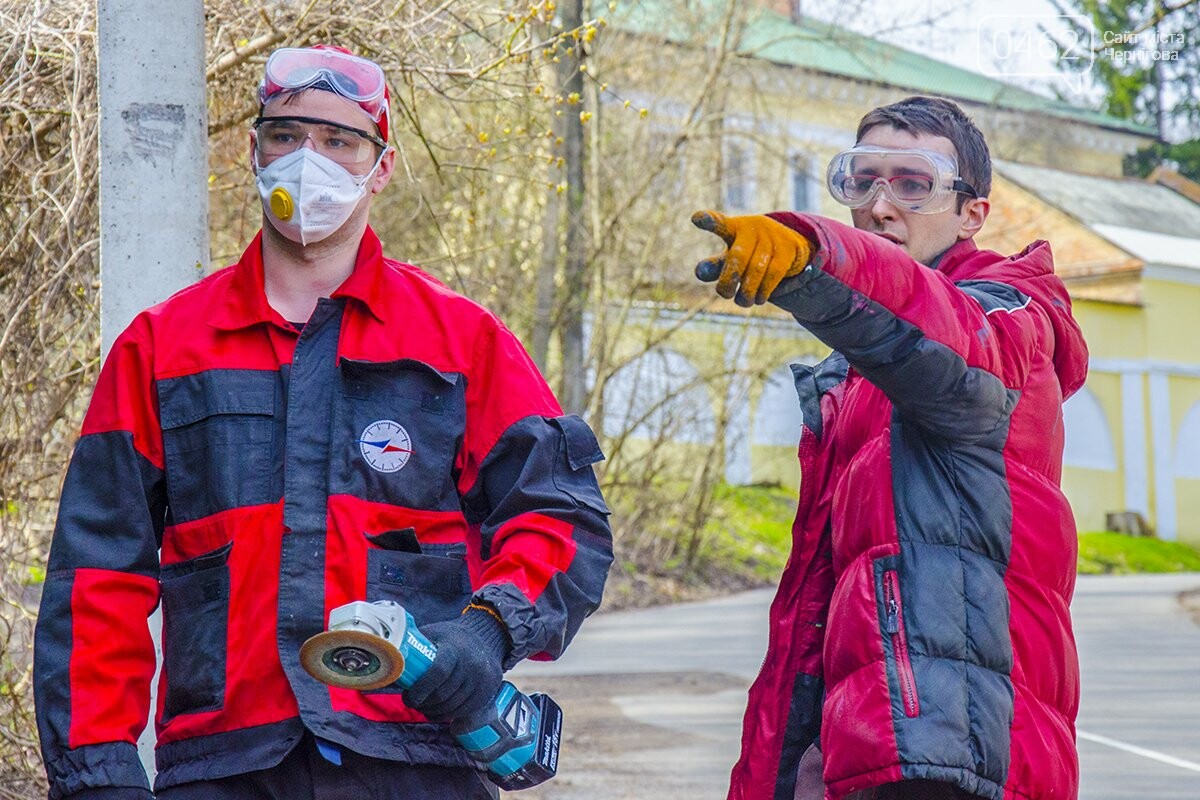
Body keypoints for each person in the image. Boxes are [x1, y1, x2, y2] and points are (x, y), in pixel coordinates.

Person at [34, 45, 613, 800]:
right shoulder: (161, 348)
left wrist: (485, 632)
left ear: (383, 167)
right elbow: (96, 576)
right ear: (253, 149)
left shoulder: (460, 342)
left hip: (417, 761)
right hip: (224, 766)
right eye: (287, 135)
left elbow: (560, 518)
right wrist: (97, 775)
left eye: (340, 141)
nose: (309, 160)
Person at [691, 96, 1087, 800]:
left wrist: (819, 257)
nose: (880, 206)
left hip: (964, 754)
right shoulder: (862, 374)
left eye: (913, 183)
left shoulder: (1010, 313)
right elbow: (821, 605)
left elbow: (953, 340)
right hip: (871, 751)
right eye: (860, 180)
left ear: (973, 213)